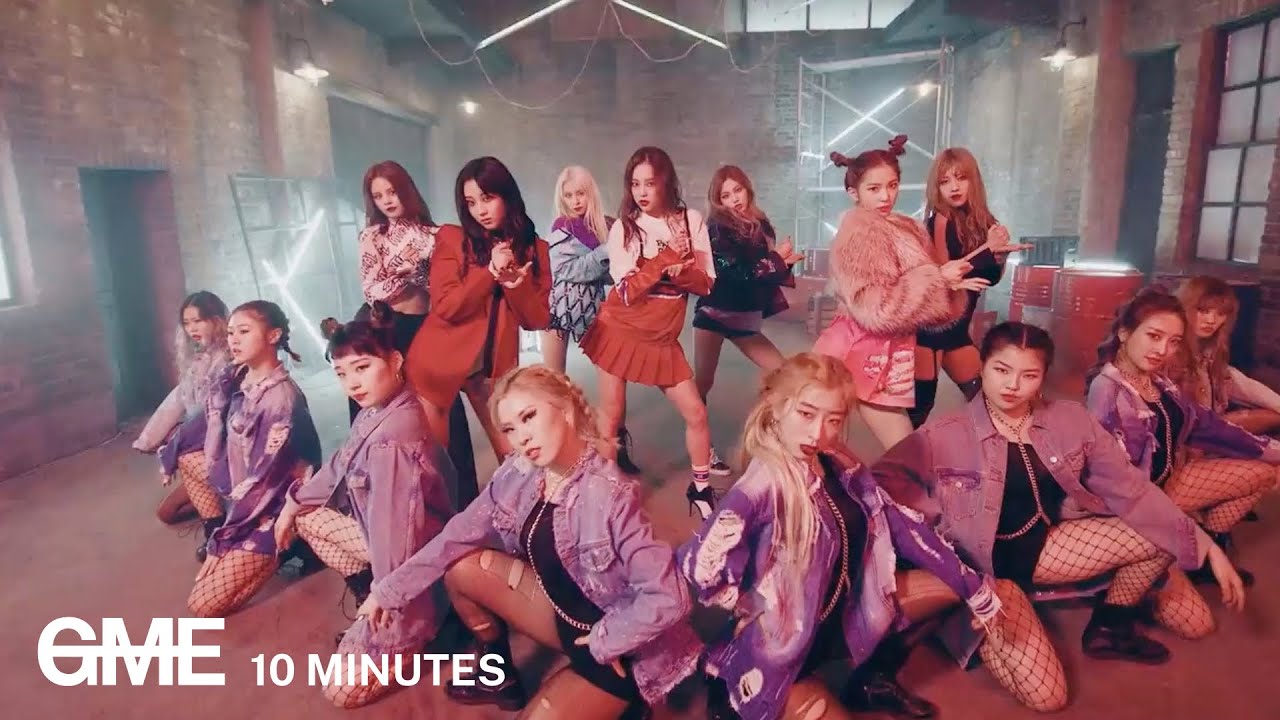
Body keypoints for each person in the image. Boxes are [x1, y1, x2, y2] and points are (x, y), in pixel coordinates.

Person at [875, 322, 1244, 711]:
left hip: (1043, 547)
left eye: (1028, 375)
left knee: (1162, 541)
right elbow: (879, 489)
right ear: (981, 367)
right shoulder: (943, 434)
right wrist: (943, 564)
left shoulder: (1069, 420)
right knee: (1048, 697)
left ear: (1043, 377)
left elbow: (1132, 491)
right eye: (1001, 370)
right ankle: (958, 624)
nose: (1012, 385)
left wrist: (1206, 546)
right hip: (984, 573)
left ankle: (1110, 624)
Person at [359, 366, 701, 718]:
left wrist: (609, 638)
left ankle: (630, 705)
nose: (521, 437)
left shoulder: (609, 495)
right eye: (509, 428)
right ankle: (498, 676)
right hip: (562, 617)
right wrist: (387, 591)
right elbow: (456, 535)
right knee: (460, 567)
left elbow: (670, 597)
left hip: (619, 649)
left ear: (565, 410)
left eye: (529, 417)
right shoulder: (518, 472)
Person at [680, 352, 1004, 720]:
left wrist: (975, 589)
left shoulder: (835, 460)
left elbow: (896, 522)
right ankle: (729, 687)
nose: (818, 433)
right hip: (780, 653)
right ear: (777, 407)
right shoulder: (762, 485)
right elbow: (697, 562)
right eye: (806, 414)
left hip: (841, 616)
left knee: (951, 586)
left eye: (833, 419)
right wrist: (746, 600)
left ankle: (872, 682)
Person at [273, 312, 456, 708]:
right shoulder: (376, 413)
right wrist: (291, 505)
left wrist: (388, 596)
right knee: (308, 516)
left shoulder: (393, 437)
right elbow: (338, 465)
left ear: (395, 361)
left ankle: (416, 628)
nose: (352, 383)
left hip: (415, 562)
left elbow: (397, 535)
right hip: (384, 542)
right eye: (341, 373)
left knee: (341, 693)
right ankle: (367, 600)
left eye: (362, 367)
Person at [1086, 287, 1280, 587]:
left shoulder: (1160, 383)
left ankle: (1206, 554)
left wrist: (1274, 450)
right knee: (1188, 613)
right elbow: (1120, 486)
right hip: (1130, 504)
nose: (1163, 350)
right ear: (1124, 333)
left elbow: (1210, 426)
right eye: (1154, 336)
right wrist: (1191, 536)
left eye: (1173, 341)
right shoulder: (1108, 392)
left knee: (1262, 471)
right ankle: (1175, 558)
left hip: (1166, 482)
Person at [813, 136, 987, 451]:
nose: (886, 196)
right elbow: (875, 309)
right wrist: (937, 279)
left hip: (890, 353)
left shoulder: (904, 226)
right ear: (853, 193)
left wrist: (947, 284)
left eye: (892, 186)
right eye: (874, 188)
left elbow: (924, 298)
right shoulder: (861, 234)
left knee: (894, 450)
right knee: (903, 452)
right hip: (863, 352)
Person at [579, 146, 717, 518]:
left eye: (650, 183)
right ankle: (602, 495)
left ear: (666, 183)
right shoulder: (625, 227)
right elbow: (626, 291)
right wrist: (664, 260)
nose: (641, 192)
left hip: (661, 340)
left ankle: (701, 489)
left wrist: (682, 273)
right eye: (635, 183)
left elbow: (706, 284)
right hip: (619, 330)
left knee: (696, 413)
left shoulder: (690, 221)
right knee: (612, 416)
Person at [405, 156, 552, 506]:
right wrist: (490, 273)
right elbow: (447, 307)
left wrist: (515, 283)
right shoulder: (453, 239)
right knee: (432, 465)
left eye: (487, 198)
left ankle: (524, 522)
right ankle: (438, 532)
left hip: (491, 367)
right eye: (471, 202)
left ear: (506, 195)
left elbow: (537, 319)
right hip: (437, 363)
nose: (480, 211)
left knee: (515, 457)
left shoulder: (536, 249)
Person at [184, 300, 322, 618]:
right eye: (231, 332)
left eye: (244, 332)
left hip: (272, 505)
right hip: (244, 497)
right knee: (187, 461)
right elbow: (206, 424)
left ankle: (289, 542)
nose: (233, 340)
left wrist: (223, 540)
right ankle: (260, 546)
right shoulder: (236, 377)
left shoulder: (280, 399)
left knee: (202, 605)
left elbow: (263, 482)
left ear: (273, 336)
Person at [355, 161, 477, 494]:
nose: (387, 201)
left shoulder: (434, 235)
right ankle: (394, 492)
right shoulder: (372, 236)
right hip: (388, 327)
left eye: (392, 192)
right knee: (388, 409)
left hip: (428, 325)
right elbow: (371, 287)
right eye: (378, 195)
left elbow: (443, 286)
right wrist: (408, 269)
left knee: (445, 409)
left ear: (406, 190)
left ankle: (461, 495)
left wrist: (416, 272)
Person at [693, 165, 803, 475]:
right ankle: (702, 449)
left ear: (747, 189)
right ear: (718, 201)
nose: (734, 199)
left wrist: (784, 264)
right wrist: (777, 260)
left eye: (737, 190)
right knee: (702, 385)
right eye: (725, 195)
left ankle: (773, 438)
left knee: (782, 373)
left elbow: (762, 275)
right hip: (714, 313)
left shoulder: (760, 224)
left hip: (742, 318)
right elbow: (737, 274)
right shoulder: (717, 229)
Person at [911, 148, 1026, 427]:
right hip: (931, 328)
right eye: (945, 181)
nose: (954, 187)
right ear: (936, 187)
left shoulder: (984, 222)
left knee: (987, 400)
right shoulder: (940, 220)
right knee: (919, 410)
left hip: (956, 330)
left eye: (961, 178)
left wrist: (999, 256)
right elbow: (946, 273)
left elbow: (989, 279)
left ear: (973, 180)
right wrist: (988, 250)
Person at [136, 291, 231, 528]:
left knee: (185, 457)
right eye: (187, 323)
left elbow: (210, 415)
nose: (191, 328)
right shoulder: (198, 357)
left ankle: (221, 519)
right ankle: (217, 508)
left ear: (216, 320)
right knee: (166, 513)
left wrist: (175, 444)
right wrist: (148, 439)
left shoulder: (228, 357)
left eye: (197, 321)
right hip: (197, 440)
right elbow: (179, 397)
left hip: (223, 444)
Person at [1171, 275, 1280, 435]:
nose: (1211, 320)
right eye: (1203, 311)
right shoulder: (1170, 351)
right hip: (1187, 432)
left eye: (1221, 313)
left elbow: (1242, 385)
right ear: (1185, 308)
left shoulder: (1211, 353)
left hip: (1209, 425)